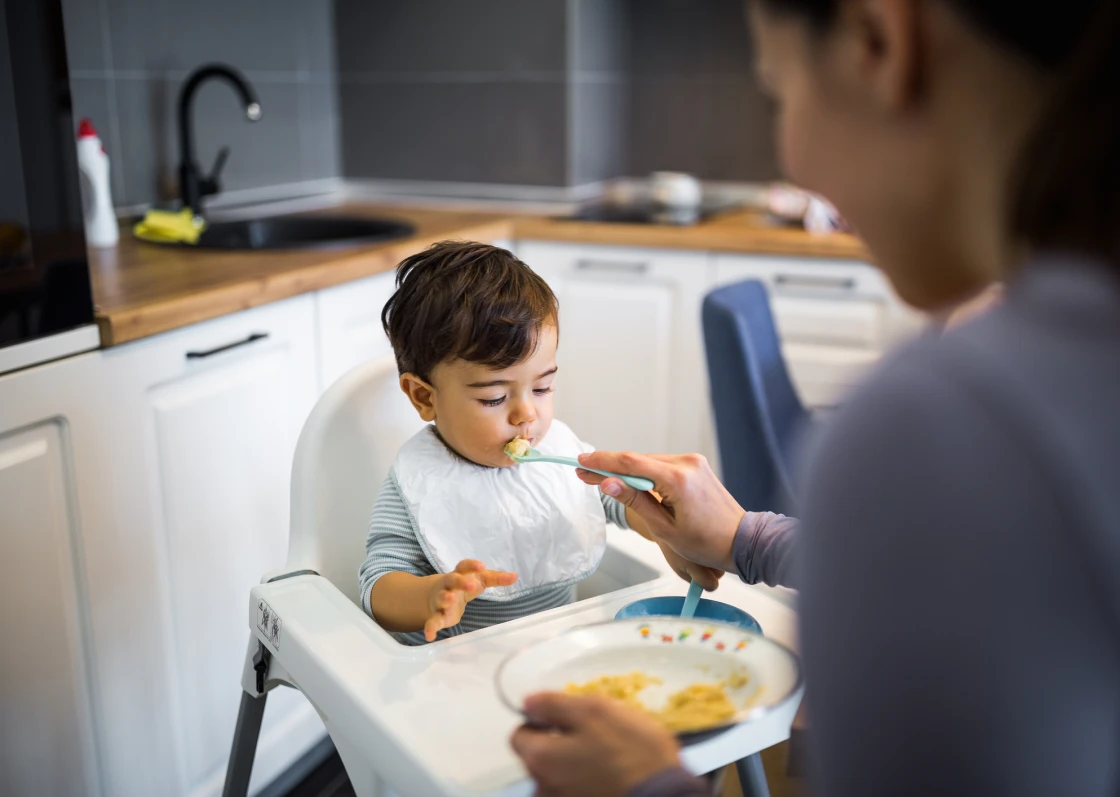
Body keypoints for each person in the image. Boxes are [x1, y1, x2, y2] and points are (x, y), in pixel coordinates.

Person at [511, 1, 1120, 795]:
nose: (793, 164)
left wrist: (648, 786)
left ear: (878, 41)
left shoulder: (951, 423)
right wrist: (742, 537)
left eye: (779, 90)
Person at [357, 241, 725, 643]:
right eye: (494, 398)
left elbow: (614, 502)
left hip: (557, 653)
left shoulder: (557, 453)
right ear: (425, 397)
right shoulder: (419, 480)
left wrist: (665, 529)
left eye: (543, 387)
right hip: (461, 671)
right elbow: (378, 587)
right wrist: (432, 595)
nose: (526, 415)